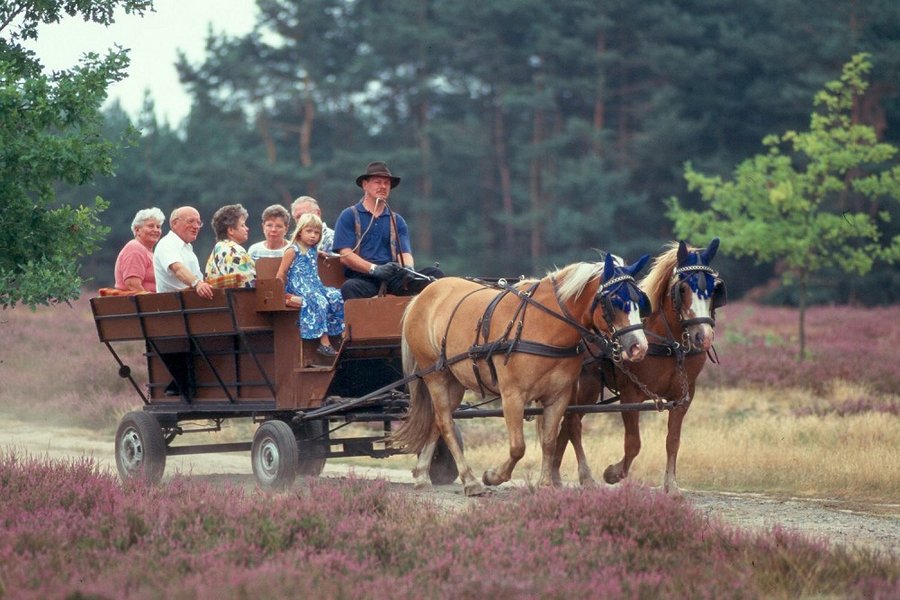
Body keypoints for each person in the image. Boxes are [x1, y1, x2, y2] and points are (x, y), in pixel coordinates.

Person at [332, 161, 443, 300]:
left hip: (393, 278)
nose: (383, 186)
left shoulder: (397, 220)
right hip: (365, 279)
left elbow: (405, 253)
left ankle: (427, 320)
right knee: (350, 287)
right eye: (378, 182)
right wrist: (374, 269)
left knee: (435, 275)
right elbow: (345, 256)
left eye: (387, 183)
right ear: (365, 185)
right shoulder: (349, 215)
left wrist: (408, 269)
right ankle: (365, 321)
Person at [276, 213, 344, 357]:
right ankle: (324, 342)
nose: (313, 236)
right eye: (309, 231)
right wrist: (281, 292)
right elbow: (281, 273)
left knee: (336, 296)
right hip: (299, 286)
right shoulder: (292, 250)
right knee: (319, 301)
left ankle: (340, 334)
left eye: (316, 233)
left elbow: (312, 253)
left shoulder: (313, 249)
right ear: (300, 232)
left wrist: (320, 253)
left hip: (314, 285)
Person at [153, 206, 215, 299]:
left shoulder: (188, 248)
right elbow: (178, 269)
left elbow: (199, 280)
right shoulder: (166, 243)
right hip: (174, 306)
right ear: (174, 223)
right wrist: (197, 283)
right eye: (190, 221)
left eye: (198, 223)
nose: (196, 226)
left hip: (189, 303)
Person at [114, 207, 165, 292]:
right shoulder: (135, 248)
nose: (156, 230)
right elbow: (132, 284)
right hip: (136, 304)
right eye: (151, 226)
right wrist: (154, 303)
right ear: (137, 230)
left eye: (158, 227)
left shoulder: (150, 253)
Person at [205, 204, 256, 287]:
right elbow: (249, 284)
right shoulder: (235, 250)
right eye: (242, 225)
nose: (247, 228)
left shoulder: (215, 251)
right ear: (231, 230)